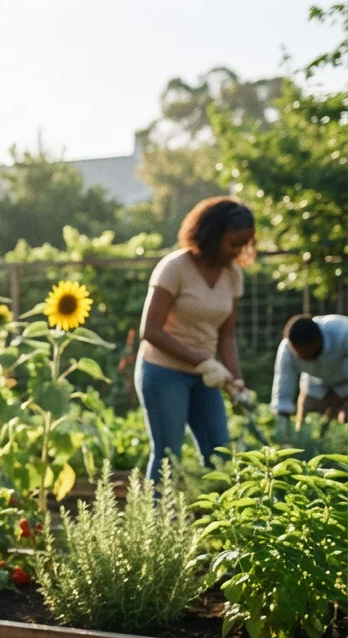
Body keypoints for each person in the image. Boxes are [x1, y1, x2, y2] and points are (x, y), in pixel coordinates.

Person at [137, 197, 255, 481]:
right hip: (164, 372)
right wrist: (202, 361)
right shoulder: (175, 267)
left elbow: (226, 336)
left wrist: (236, 381)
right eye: (232, 243)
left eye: (244, 244)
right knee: (168, 454)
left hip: (206, 377)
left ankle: (222, 522)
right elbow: (150, 331)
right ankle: (155, 520)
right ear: (212, 235)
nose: (238, 251)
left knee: (219, 452)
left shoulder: (232, 274)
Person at [271, 314, 348, 434]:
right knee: (305, 431)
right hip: (314, 385)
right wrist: (282, 423)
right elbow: (283, 382)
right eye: (299, 354)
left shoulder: (343, 332)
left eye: (306, 353)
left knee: (342, 428)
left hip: (345, 384)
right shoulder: (287, 349)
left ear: (317, 341)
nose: (301, 357)